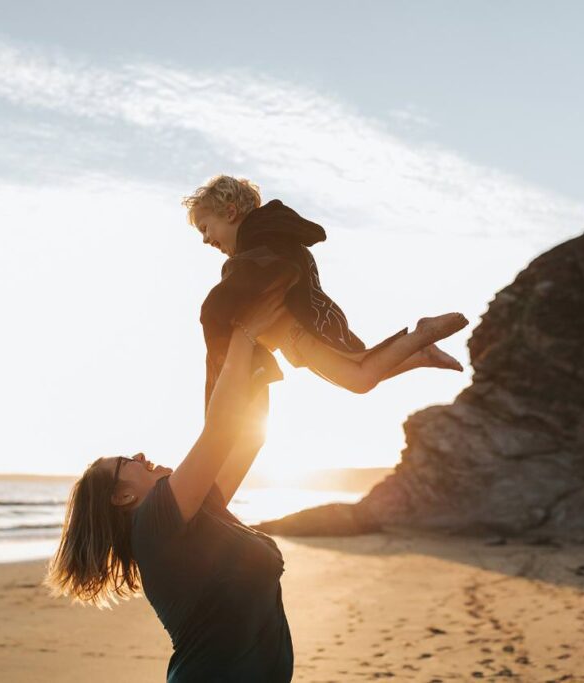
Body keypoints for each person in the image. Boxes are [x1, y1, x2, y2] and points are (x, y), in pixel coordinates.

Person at [44, 284, 294, 682]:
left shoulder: (193, 517)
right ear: (122, 496)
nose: (141, 456)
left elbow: (248, 437)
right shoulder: (154, 523)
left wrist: (260, 354)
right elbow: (220, 431)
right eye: (127, 461)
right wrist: (245, 335)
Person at [183, 175, 469, 408]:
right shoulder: (273, 241)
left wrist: (224, 361)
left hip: (301, 333)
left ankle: (423, 335)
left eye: (206, 228)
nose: (206, 240)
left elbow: (217, 307)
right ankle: (420, 354)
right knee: (362, 370)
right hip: (308, 328)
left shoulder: (256, 254)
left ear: (230, 213)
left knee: (361, 378)